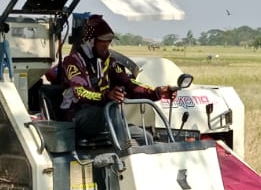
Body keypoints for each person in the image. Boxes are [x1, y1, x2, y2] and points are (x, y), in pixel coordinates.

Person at [52, 15, 173, 144]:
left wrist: (157, 92)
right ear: (90, 41)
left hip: (107, 117)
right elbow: (80, 92)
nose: (106, 45)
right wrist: (107, 96)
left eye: (109, 41)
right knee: (111, 109)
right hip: (78, 116)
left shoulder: (109, 61)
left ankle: (132, 154)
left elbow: (128, 83)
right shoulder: (73, 61)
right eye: (102, 41)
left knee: (146, 137)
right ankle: (124, 151)